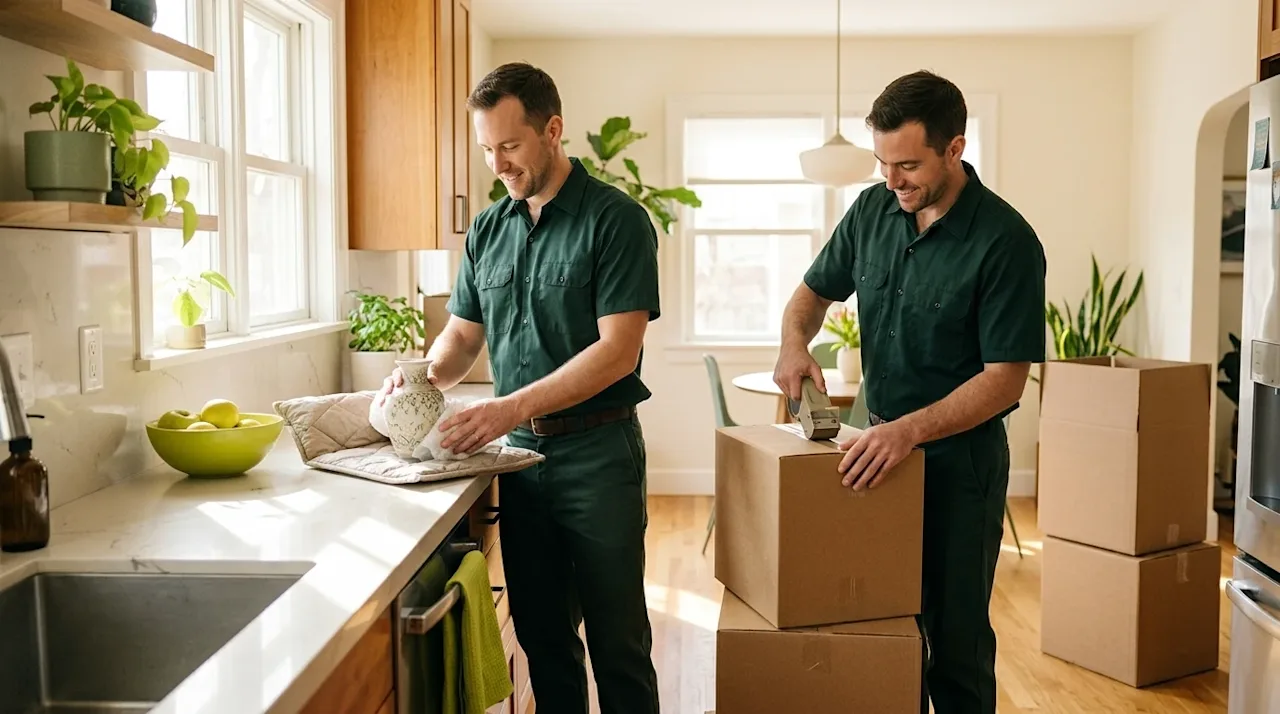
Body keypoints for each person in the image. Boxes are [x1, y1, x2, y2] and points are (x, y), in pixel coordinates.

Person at [376, 62, 661, 714]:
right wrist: (423, 374)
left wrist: (509, 408)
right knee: (542, 638)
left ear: (552, 130)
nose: (497, 164)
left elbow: (617, 353)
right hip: (522, 463)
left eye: (509, 146)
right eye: (486, 149)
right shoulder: (487, 229)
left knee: (618, 643)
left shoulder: (616, 220)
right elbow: (462, 337)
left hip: (599, 457)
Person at [772, 70, 1046, 714]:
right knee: (884, 626)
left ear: (955, 148)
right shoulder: (872, 211)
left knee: (954, 644)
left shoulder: (1006, 242)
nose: (892, 180)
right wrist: (793, 343)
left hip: (959, 467)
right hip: (878, 455)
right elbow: (811, 294)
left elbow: (1005, 379)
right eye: (882, 163)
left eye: (909, 165)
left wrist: (909, 431)